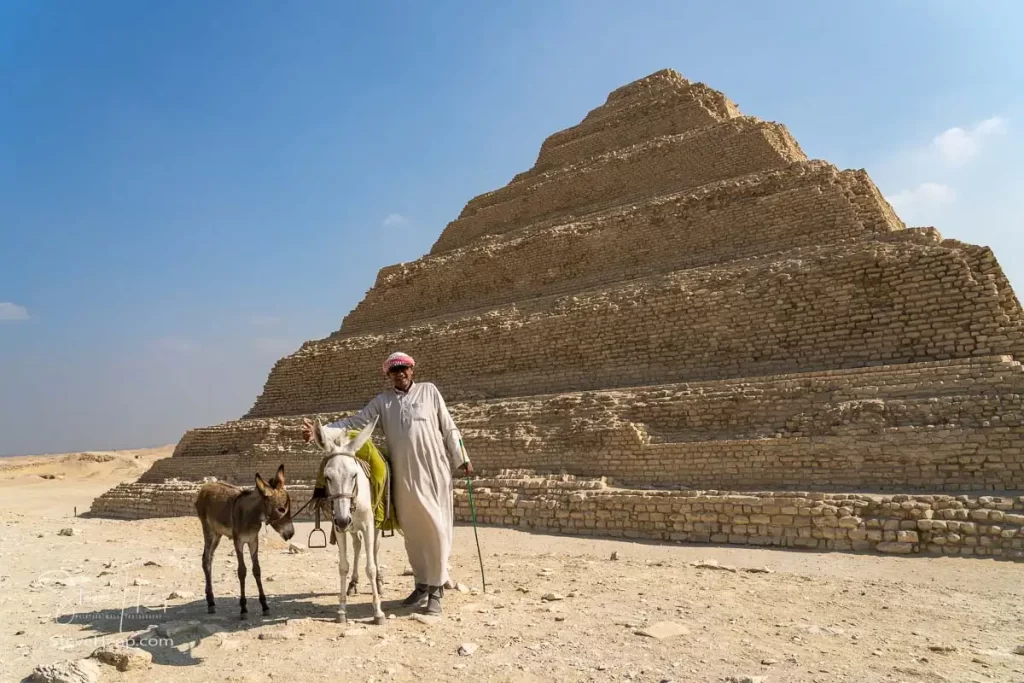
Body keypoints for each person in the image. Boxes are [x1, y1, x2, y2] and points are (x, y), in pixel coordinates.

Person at [302, 351, 473, 615]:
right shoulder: (383, 402)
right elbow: (354, 423)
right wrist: (320, 432)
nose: (400, 373)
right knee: (413, 532)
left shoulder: (429, 392)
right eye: (394, 370)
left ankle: (437, 589)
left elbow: (449, 427)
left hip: (434, 471)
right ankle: (422, 584)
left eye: (404, 368)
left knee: (437, 529)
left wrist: (461, 456)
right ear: (388, 375)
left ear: (412, 370)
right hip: (403, 476)